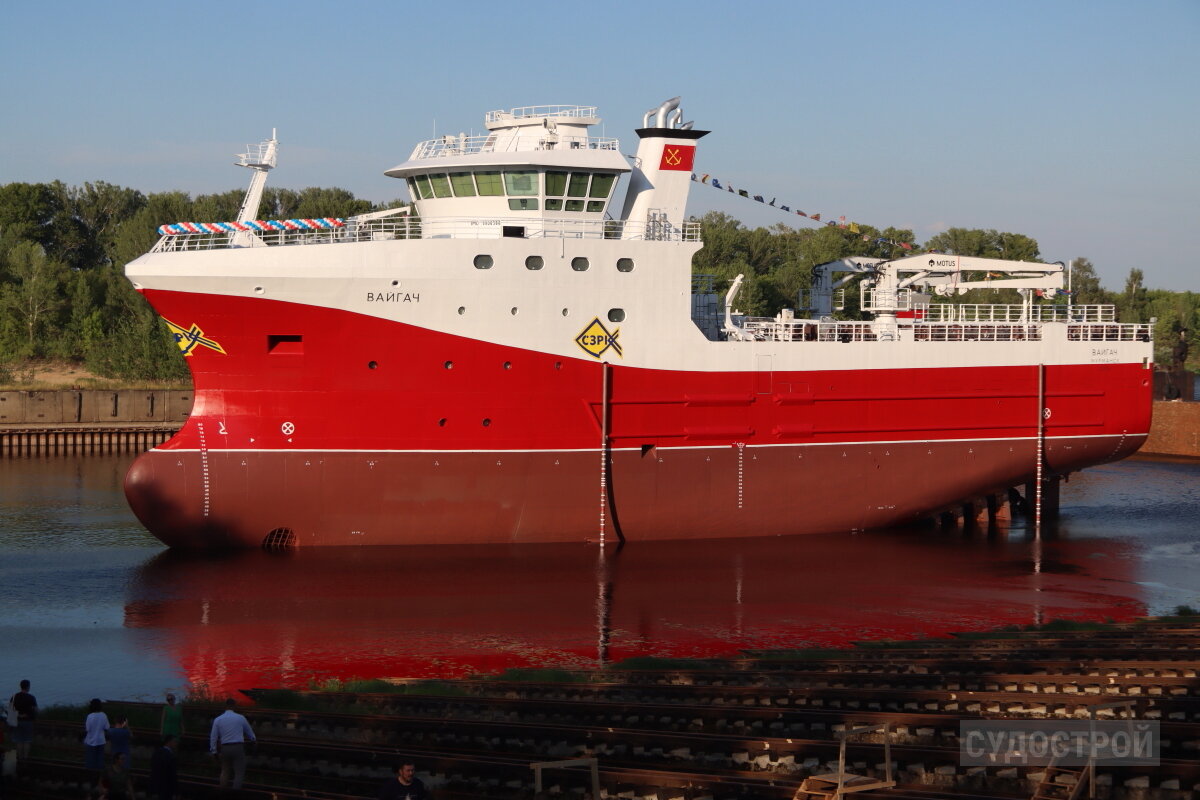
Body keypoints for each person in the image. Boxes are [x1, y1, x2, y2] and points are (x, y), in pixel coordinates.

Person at [209, 698, 256, 791]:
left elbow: (213, 737)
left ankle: (222, 792)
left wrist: (214, 751)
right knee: (239, 773)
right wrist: (253, 741)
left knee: (225, 771)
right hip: (238, 747)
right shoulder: (240, 718)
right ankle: (235, 793)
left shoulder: (218, 719)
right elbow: (250, 733)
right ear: (234, 706)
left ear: (225, 706)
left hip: (225, 747)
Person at [9, 679, 36, 764]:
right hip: (28, 721)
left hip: (17, 721)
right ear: (28, 687)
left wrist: (18, 715)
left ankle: (20, 758)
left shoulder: (14, 697)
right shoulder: (31, 697)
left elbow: (10, 709)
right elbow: (35, 709)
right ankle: (25, 758)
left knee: (19, 741)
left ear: (20, 686)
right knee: (27, 740)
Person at [149, 735, 179, 800]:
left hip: (156, 787)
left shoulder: (157, 753)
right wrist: (176, 792)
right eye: (175, 742)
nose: (176, 744)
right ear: (169, 742)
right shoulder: (170, 756)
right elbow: (172, 775)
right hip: (167, 789)